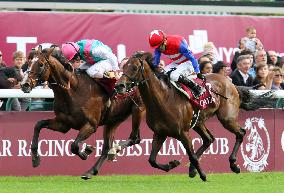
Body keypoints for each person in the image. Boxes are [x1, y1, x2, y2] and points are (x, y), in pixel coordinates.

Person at [148, 29, 205, 98]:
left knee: (173, 75)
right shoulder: (158, 47)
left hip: (188, 62)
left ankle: (196, 87)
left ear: (165, 41)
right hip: (176, 62)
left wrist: (197, 72)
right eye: (157, 48)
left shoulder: (178, 44)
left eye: (159, 47)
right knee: (162, 74)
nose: (158, 49)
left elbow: (192, 58)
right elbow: (156, 63)